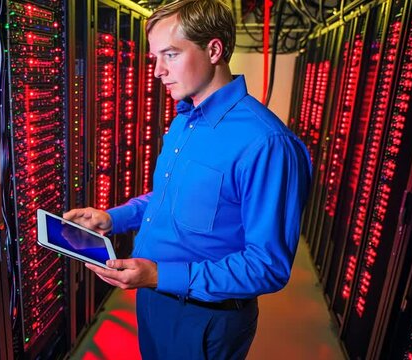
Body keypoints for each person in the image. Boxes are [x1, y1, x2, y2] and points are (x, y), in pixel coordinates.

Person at [63, 0, 312, 358]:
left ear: (214, 49)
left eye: (170, 54)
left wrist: (160, 276)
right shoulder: (185, 119)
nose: (158, 71)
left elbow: (267, 266)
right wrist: (113, 218)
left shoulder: (267, 144)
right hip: (153, 300)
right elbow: (169, 197)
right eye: (155, 58)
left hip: (205, 318)